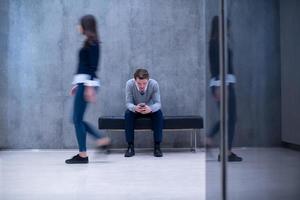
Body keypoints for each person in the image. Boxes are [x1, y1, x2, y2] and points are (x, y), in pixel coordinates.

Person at [65, 15, 110, 164]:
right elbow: (82, 67)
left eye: (79, 24)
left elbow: (93, 67)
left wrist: (88, 87)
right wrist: (76, 84)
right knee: (77, 119)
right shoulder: (88, 43)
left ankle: (87, 151)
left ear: (86, 26)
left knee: (77, 119)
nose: (77, 27)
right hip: (83, 83)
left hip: (87, 83)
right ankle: (99, 141)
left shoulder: (94, 43)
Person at [206, 16, 242, 162]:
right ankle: (225, 151)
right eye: (226, 26)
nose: (228, 30)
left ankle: (222, 148)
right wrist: (219, 87)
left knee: (229, 118)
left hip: (224, 83)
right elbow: (216, 67)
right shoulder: (216, 43)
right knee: (230, 118)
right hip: (223, 84)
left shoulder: (218, 42)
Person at [124, 69, 163, 157]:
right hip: (136, 108)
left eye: (144, 83)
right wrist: (134, 108)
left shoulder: (154, 84)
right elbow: (128, 103)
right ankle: (130, 146)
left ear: (148, 80)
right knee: (128, 114)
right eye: (139, 83)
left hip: (149, 108)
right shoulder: (129, 84)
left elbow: (158, 103)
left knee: (158, 114)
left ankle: (157, 146)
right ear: (135, 80)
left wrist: (151, 108)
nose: (142, 86)